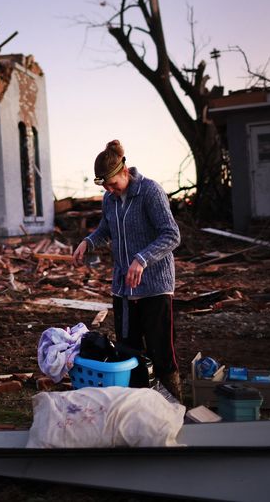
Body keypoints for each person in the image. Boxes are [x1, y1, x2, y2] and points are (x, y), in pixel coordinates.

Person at [72, 140, 183, 400]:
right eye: (105, 186)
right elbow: (106, 230)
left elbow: (172, 234)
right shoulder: (110, 200)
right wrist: (87, 242)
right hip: (124, 288)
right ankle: (138, 405)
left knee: (161, 352)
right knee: (127, 350)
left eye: (113, 184)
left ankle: (176, 405)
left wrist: (142, 259)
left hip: (155, 287)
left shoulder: (150, 191)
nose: (110, 190)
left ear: (125, 172)